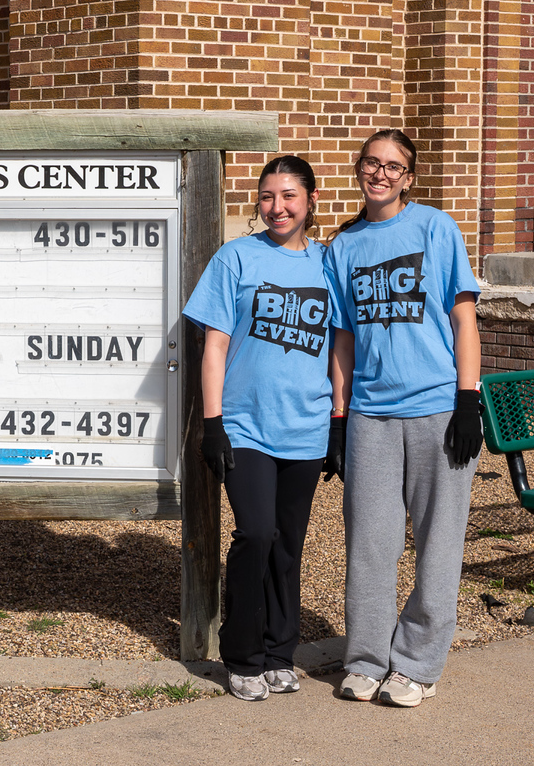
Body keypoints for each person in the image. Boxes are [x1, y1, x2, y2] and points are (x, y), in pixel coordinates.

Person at [325, 128, 482, 708]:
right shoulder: (344, 247)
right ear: (360, 170)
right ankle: (367, 658)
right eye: (372, 163)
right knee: (369, 541)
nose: (381, 173)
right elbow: (342, 339)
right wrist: (339, 418)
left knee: (439, 540)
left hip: (439, 408)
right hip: (371, 413)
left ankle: (417, 663)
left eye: (394, 166)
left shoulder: (437, 228)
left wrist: (470, 400)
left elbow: (463, 319)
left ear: (409, 177)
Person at [183, 155, 334, 701]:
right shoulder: (235, 259)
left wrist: (337, 420)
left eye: (290, 196)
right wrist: (213, 423)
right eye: (268, 196)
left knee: (289, 543)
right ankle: (242, 655)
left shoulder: (328, 265)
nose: (278, 207)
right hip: (245, 426)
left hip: (307, 423)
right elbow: (215, 344)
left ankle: (279, 651)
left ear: (310, 201)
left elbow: (341, 344)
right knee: (256, 533)